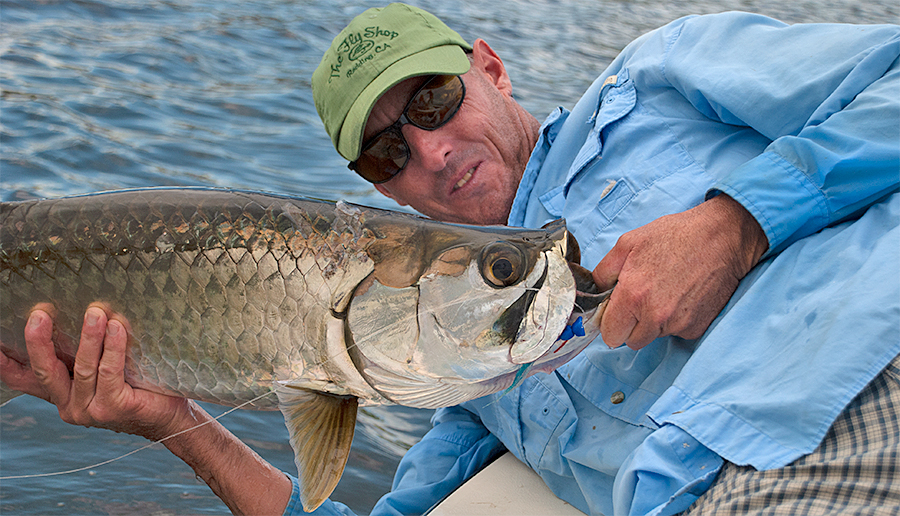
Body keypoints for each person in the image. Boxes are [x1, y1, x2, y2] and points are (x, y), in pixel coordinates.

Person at [2, 3, 898, 515]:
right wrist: (169, 420)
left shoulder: (659, 79)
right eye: (386, 156)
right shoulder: (472, 386)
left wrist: (736, 222)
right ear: (380, 194)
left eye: (432, 101)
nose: (427, 154)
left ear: (492, 68)